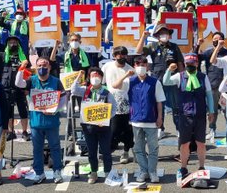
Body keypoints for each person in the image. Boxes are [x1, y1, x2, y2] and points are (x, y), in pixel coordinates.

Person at [112, 56, 165, 184]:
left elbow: (159, 102)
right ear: (134, 66)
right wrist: (125, 75)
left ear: (147, 66)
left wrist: (160, 117)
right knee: (138, 148)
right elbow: (115, 85)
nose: (141, 66)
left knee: (153, 148)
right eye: (137, 64)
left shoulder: (155, 82)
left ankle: (152, 171)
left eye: (143, 63)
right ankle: (143, 170)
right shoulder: (131, 81)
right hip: (136, 121)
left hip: (151, 121)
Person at [162, 53, 214, 181]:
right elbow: (166, 81)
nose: (190, 65)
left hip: (200, 115)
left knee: (201, 143)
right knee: (184, 144)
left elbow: (209, 95)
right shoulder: (180, 76)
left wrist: (211, 112)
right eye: (188, 63)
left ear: (197, 64)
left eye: (193, 63)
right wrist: (169, 69)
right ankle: (183, 167)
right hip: (185, 116)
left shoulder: (203, 77)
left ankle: (201, 167)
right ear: (185, 64)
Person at [15, 57, 66, 184]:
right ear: (35, 67)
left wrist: (54, 110)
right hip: (36, 122)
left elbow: (64, 99)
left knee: (55, 147)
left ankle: (57, 171)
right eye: (39, 66)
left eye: (44, 65)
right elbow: (18, 83)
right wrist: (22, 68)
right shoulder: (31, 80)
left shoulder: (56, 81)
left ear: (49, 67)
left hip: (52, 122)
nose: (42, 68)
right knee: (37, 149)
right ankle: (39, 173)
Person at [136, 24, 184, 137]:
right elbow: (138, 51)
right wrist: (143, 36)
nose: (164, 36)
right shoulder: (153, 46)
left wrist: (182, 79)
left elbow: (180, 63)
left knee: (176, 106)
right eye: (161, 34)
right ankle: (160, 128)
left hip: (172, 79)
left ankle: (179, 128)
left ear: (169, 36)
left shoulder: (174, 47)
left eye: (166, 33)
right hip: (157, 78)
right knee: (158, 104)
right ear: (157, 36)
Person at [71, 68, 117, 184]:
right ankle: (94, 172)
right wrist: (79, 75)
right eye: (92, 76)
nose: (95, 78)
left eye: (97, 75)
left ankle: (108, 172)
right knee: (91, 151)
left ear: (101, 78)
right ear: (89, 78)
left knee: (106, 150)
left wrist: (106, 119)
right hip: (88, 127)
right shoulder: (85, 91)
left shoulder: (107, 93)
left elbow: (113, 109)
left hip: (103, 127)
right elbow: (73, 89)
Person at [196, 31, 227, 141]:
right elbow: (196, 57)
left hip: (226, 85)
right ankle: (212, 129)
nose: (216, 41)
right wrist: (198, 45)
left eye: (219, 38)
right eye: (214, 39)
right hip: (212, 84)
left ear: (223, 40)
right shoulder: (208, 52)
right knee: (212, 110)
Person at [101, 46, 134, 164]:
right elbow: (102, 82)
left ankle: (125, 151)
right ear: (114, 56)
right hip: (109, 100)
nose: (122, 57)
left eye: (124, 54)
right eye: (119, 54)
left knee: (125, 128)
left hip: (124, 102)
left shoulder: (130, 70)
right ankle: (108, 150)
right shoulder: (107, 66)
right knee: (110, 128)